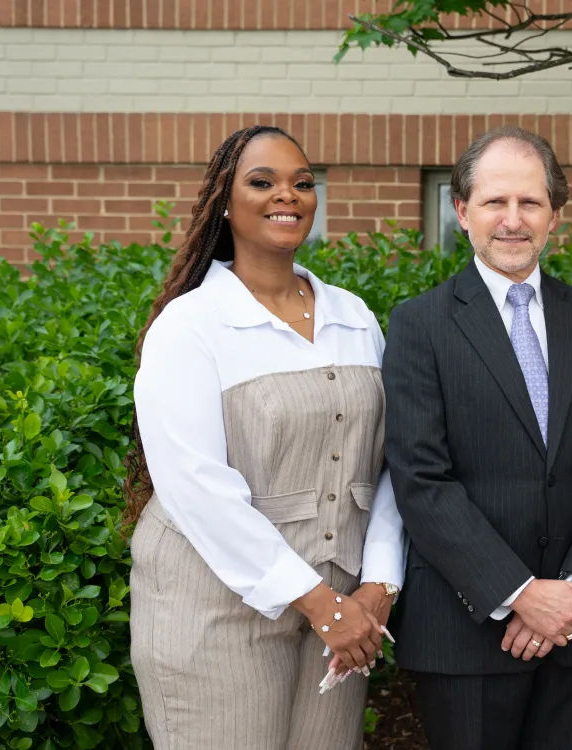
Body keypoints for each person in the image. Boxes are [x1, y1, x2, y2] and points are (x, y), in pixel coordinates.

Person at [125, 125, 406, 750]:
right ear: (224, 200)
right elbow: (196, 487)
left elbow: (391, 463)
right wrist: (317, 603)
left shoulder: (354, 316)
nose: (289, 195)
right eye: (263, 182)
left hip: (341, 614)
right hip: (213, 616)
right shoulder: (191, 326)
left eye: (303, 183)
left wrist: (380, 585)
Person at [382, 125, 572, 750]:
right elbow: (422, 480)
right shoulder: (419, 324)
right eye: (496, 202)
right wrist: (519, 594)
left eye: (530, 202)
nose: (513, 220)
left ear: (556, 214)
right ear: (462, 210)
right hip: (467, 631)